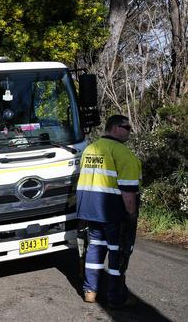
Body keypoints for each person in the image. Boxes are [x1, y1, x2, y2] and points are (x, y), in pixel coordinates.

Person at [76, 115, 142, 308]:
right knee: (118, 253)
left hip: (89, 212)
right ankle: (116, 297)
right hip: (113, 213)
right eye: (127, 127)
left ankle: (90, 291)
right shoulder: (123, 153)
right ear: (114, 128)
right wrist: (131, 215)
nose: (130, 131)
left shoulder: (90, 150)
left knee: (94, 249)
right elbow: (128, 192)